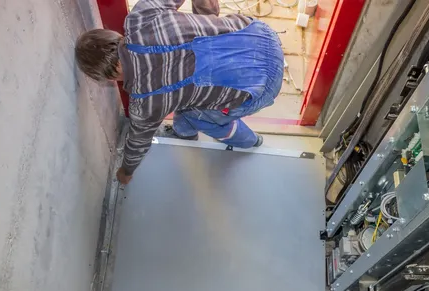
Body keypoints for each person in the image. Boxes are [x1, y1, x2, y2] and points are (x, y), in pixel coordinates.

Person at [75, 0, 284, 184]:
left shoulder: (145, 103)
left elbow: (138, 142)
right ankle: (184, 134)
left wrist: (126, 171)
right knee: (185, 102)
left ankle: (248, 141)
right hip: (259, 34)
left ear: (110, 78)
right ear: (114, 34)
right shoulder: (140, 17)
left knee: (199, 116)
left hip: (263, 85)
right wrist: (207, 19)